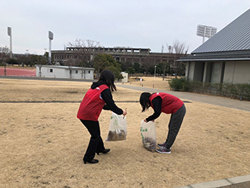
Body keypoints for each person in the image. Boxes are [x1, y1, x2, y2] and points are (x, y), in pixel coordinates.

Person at [77, 70, 127, 164]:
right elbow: (111, 104)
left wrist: (111, 109)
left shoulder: (96, 87)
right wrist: (121, 112)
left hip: (83, 112)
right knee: (95, 136)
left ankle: (100, 149)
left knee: (96, 132)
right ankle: (88, 157)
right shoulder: (104, 89)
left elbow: (102, 104)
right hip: (89, 115)